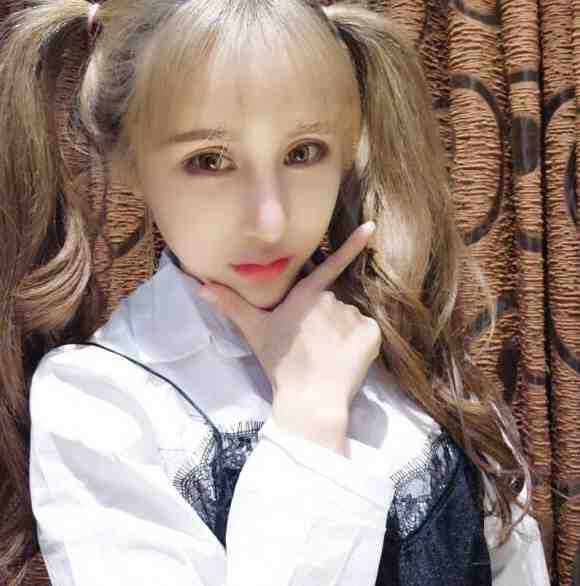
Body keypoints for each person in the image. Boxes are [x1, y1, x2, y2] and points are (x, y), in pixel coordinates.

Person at [0, 0, 550, 584]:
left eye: (302, 153)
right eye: (209, 160)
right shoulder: (101, 403)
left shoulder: (400, 336)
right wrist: (310, 417)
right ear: (127, 162)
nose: (270, 222)